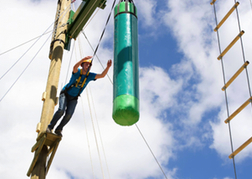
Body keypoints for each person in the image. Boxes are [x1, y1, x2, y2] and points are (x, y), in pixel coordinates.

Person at [46, 56, 112, 136]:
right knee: (61, 111)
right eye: (86, 64)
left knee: (69, 115)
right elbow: (75, 67)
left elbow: (102, 75)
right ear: (82, 65)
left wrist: (108, 67)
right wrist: (83, 59)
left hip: (74, 98)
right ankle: (50, 127)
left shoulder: (90, 76)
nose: (88, 66)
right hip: (65, 94)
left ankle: (59, 129)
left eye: (89, 65)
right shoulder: (77, 72)